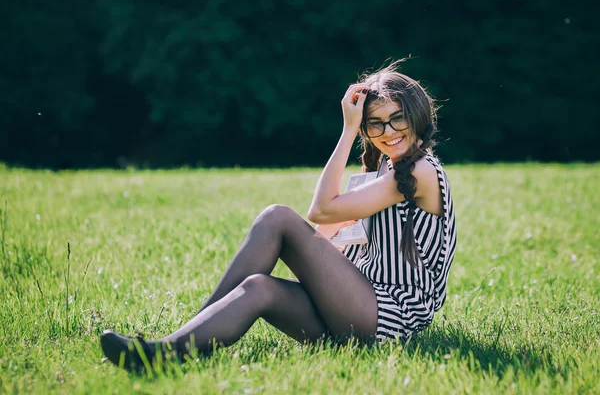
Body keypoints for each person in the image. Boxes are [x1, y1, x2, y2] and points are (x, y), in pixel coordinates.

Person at [100, 59, 457, 372]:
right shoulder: (385, 170)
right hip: (356, 308)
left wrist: (348, 131)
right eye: (374, 124)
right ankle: (170, 349)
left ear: (417, 115)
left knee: (279, 218)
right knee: (259, 288)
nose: (388, 131)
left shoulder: (420, 170)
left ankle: (173, 342)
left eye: (397, 119)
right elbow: (325, 225)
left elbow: (318, 210)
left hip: (389, 317)